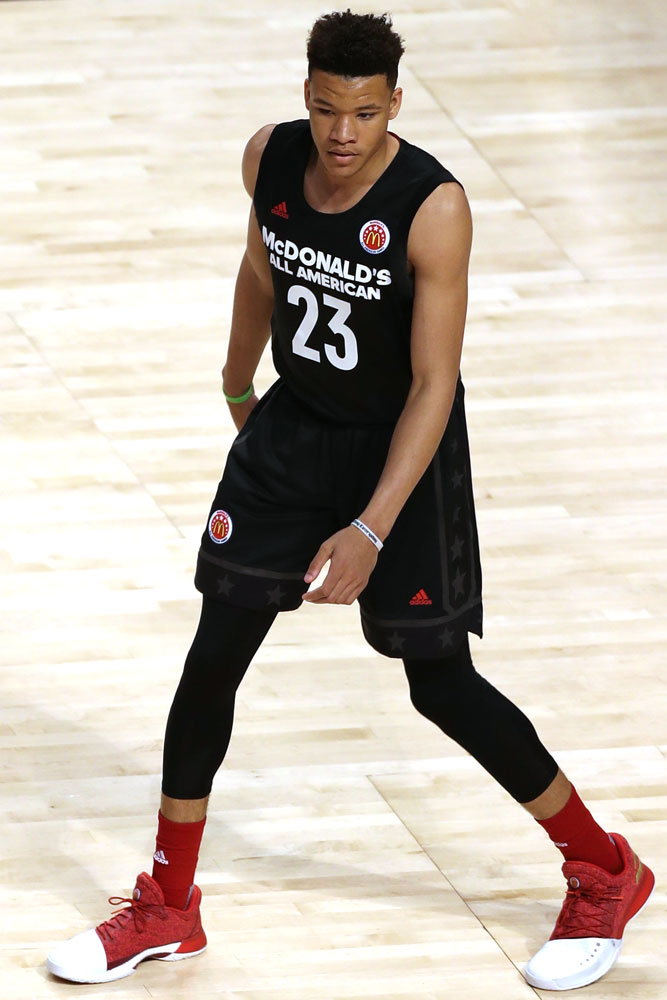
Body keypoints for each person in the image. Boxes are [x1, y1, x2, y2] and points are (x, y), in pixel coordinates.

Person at [46, 9, 653, 991]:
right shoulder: (269, 157)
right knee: (213, 657)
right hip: (294, 434)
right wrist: (237, 384)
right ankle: (168, 904)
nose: (341, 132)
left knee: (437, 682)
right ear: (306, 95)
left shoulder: (433, 206)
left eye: (364, 114)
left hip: (399, 450)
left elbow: (434, 384)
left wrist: (371, 525)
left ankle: (603, 869)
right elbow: (261, 269)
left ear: (394, 106)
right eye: (327, 108)